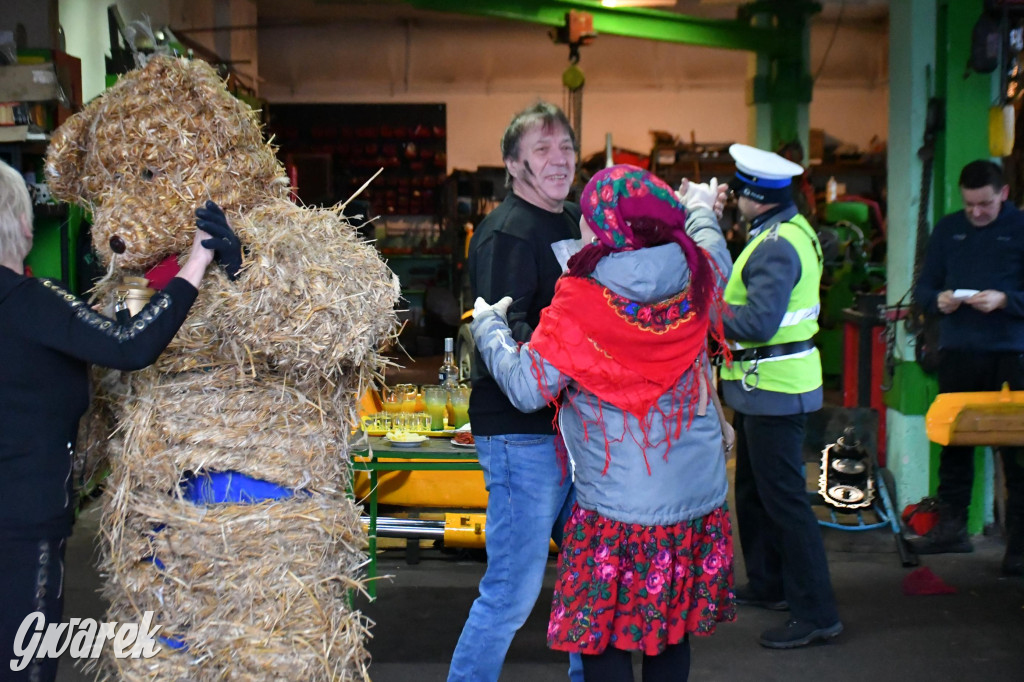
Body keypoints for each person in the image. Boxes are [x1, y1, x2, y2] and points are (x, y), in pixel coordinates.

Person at [470, 164, 736, 682]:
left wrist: (490, 328)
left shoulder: (583, 300)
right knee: (670, 633)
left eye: (592, 217)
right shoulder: (698, 272)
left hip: (616, 511)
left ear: (614, 231)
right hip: (694, 500)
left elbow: (529, 388)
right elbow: (713, 248)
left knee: (604, 636)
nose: (583, 226)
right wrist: (701, 209)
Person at [0, 159, 240, 681]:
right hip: (19, 524)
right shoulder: (31, 303)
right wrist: (197, 261)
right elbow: (129, 347)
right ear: (17, 224)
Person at [448, 101, 583, 682]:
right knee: (511, 591)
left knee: (589, 575)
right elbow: (508, 337)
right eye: (543, 149)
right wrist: (584, 350)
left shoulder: (577, 220)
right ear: (513, 164)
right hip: (521, 437)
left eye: (566, 148)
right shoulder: (504, 234)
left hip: (577, 431)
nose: (559, 160)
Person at [719, 144, 843, 648]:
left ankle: (815, 612)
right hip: (761, 390)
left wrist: (706, 314)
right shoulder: (787, 229)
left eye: (739, 191)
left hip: (774, 388)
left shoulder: (774, 245)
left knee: (785, 502)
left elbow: (757, 322)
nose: (733, 196)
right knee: (752, 490)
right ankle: (769, 583)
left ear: (756, 198)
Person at [910, 159, 1024, 575]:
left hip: (1010, 355)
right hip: (958, 352)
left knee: (1018, 454)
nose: (977, 212)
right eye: (970, 204)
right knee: (954, 443)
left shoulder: (1020, 229)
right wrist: (935, 301)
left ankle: (1019, 547)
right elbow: (923, 287)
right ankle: (951, 528)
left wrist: (1007, 301)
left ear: (1004, 195)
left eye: (986, 204)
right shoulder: (948, 229)